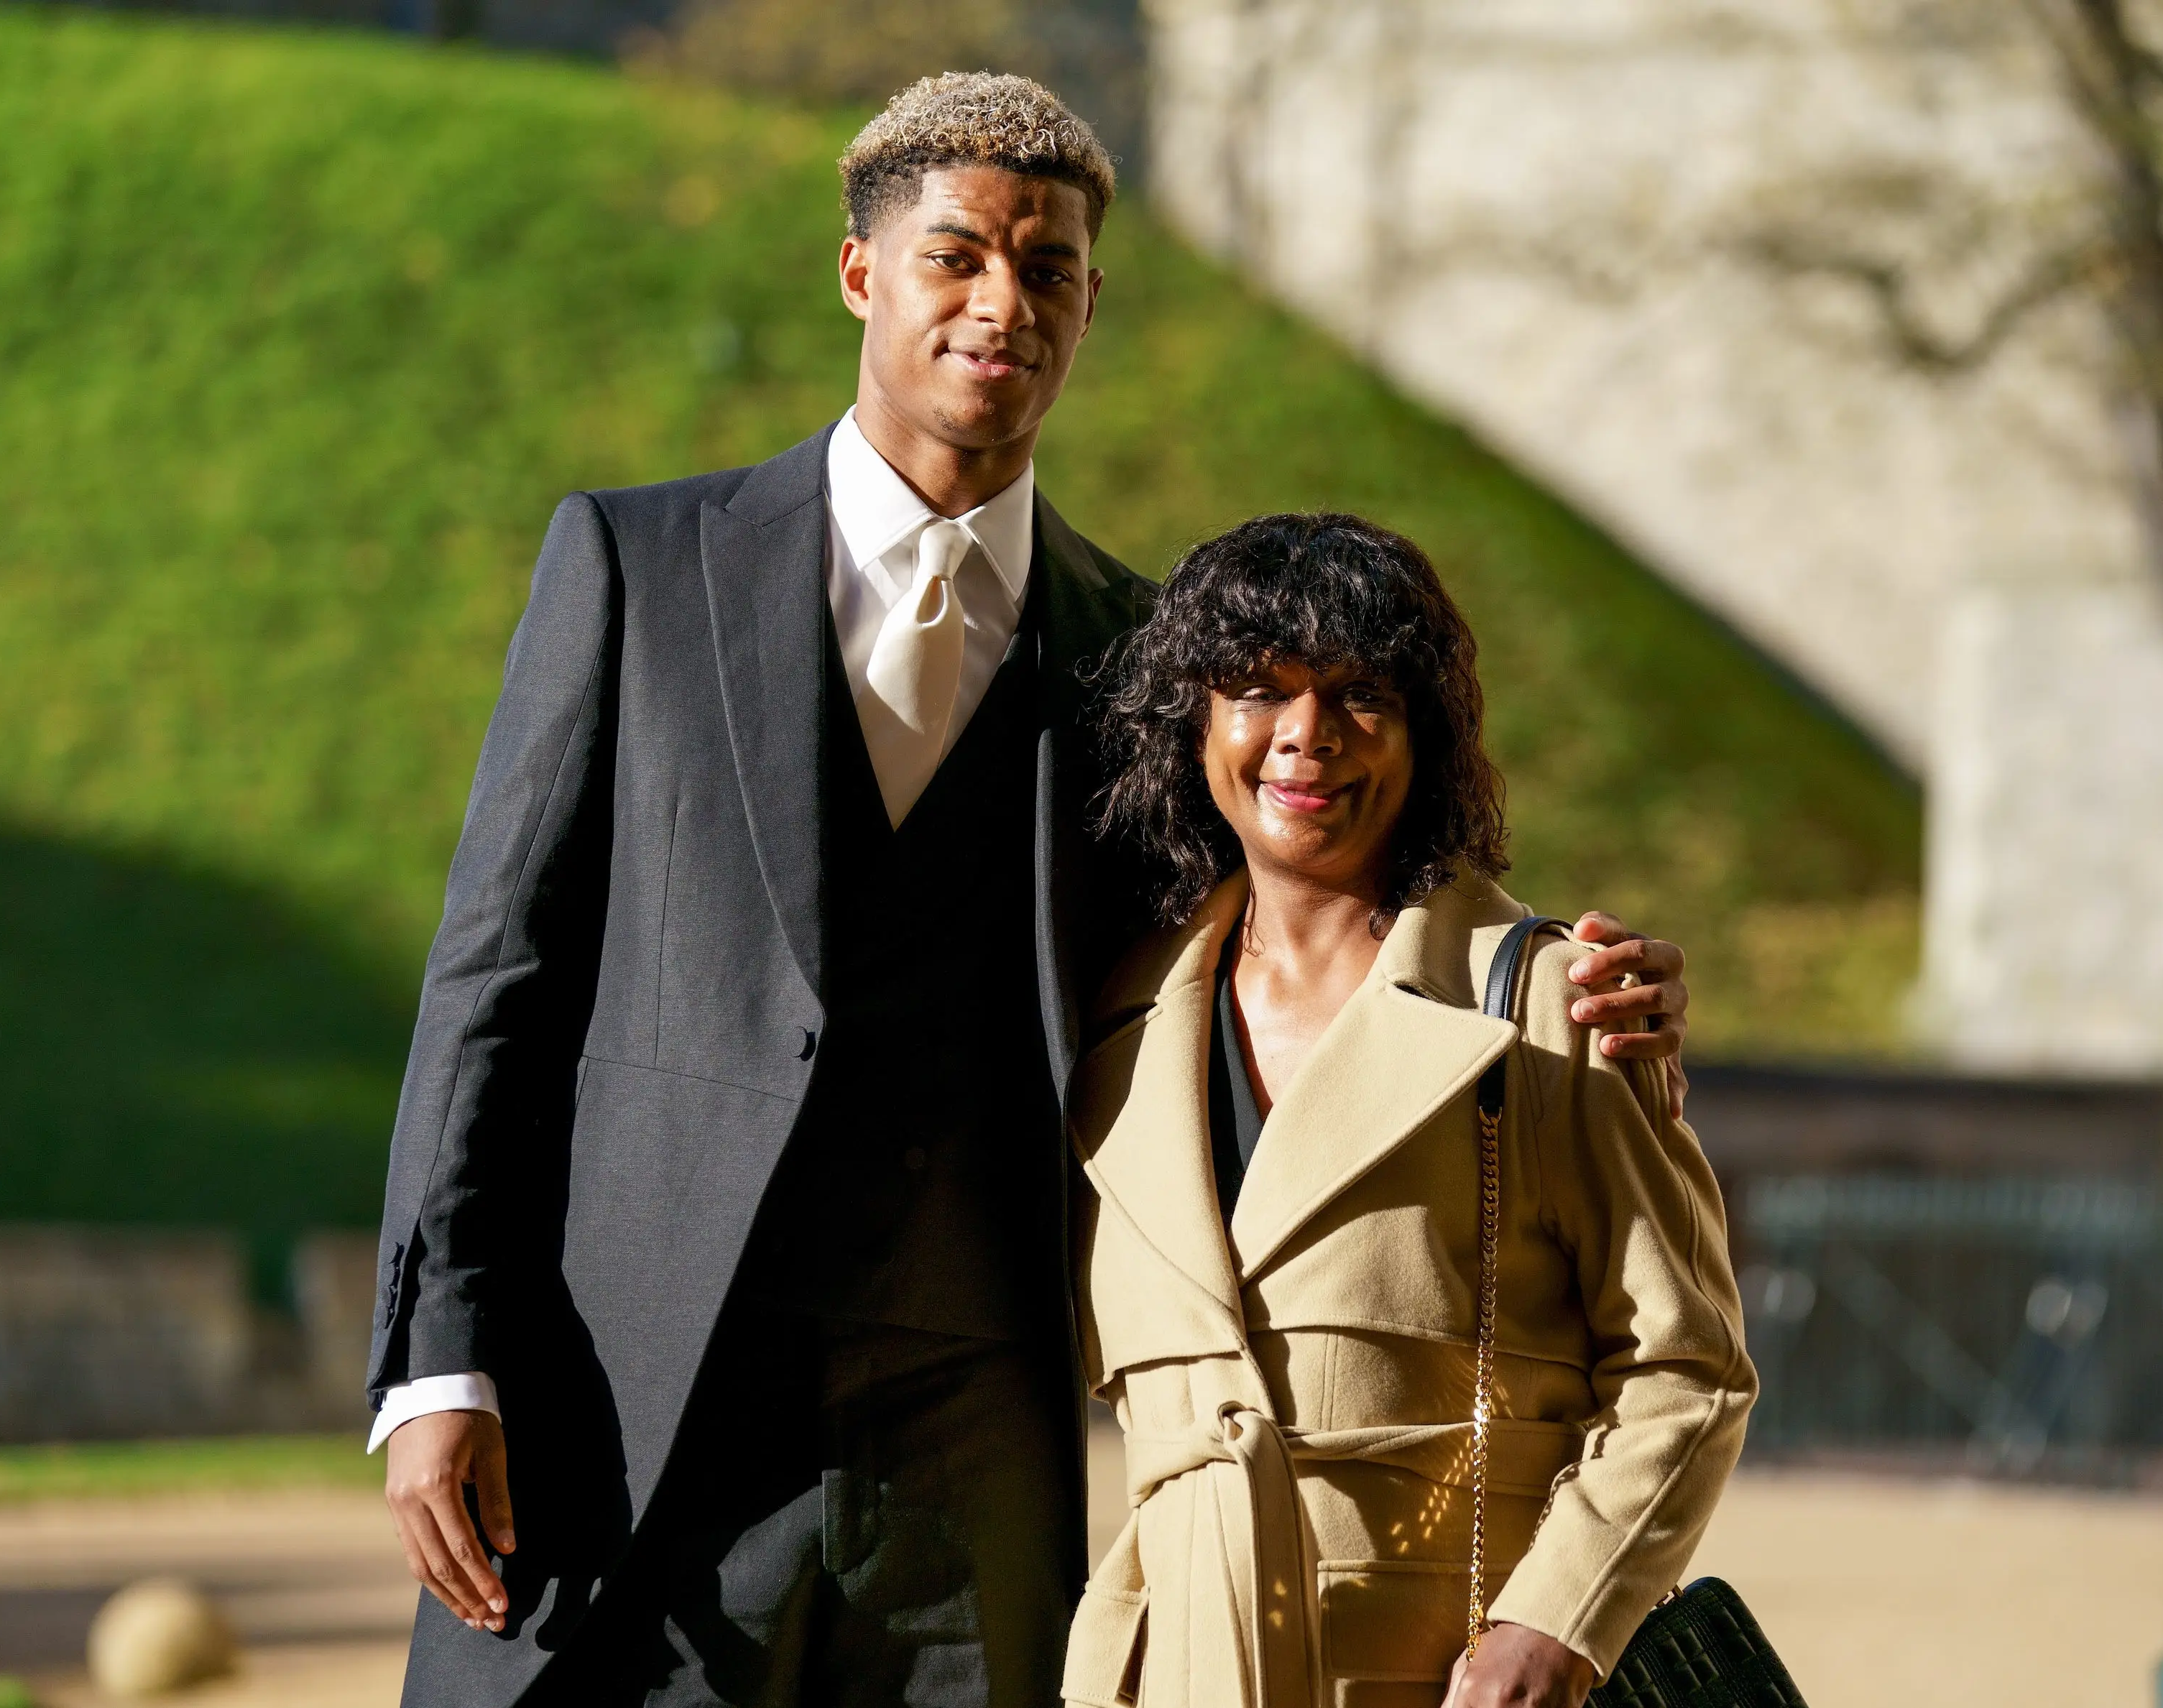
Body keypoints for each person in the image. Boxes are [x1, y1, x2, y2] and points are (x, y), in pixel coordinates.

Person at [364, 76, 1696, 1708]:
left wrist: (1563, 981)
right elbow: (495, 978)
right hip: (646, 1408)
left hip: (970, 1448)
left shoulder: (1148, 657)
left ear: (1089, 301)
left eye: (1048, 270)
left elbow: (1317, 888)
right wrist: (443, 1353)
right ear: (862, 274)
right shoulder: (639, 569)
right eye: (956, 258)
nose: (1003, 304)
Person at [1064, 514, 1753, 1708]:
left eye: (1359, 694)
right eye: (1257, 690)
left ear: (1425, 733)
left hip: (1441, 1680)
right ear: (1196, 725)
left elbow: (1687, 1366)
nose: (1306, 739)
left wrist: (1557, 1626)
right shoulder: (1112, 1022)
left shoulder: (1548, 1003)